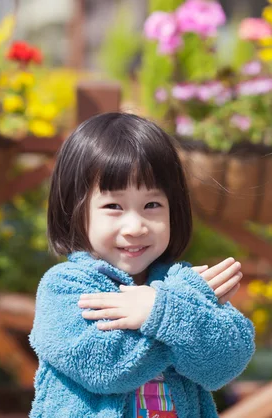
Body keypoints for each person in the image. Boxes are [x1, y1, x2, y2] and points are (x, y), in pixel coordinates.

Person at [29, 112, 255, 418]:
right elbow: (102, 367)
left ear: (174, 210)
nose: (135, 226)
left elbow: (226, 362)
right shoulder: (65, 287)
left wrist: (163, 311)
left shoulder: (180, 283)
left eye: (152, 205)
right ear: (74, 210)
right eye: (113, 206)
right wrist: (171, 317)